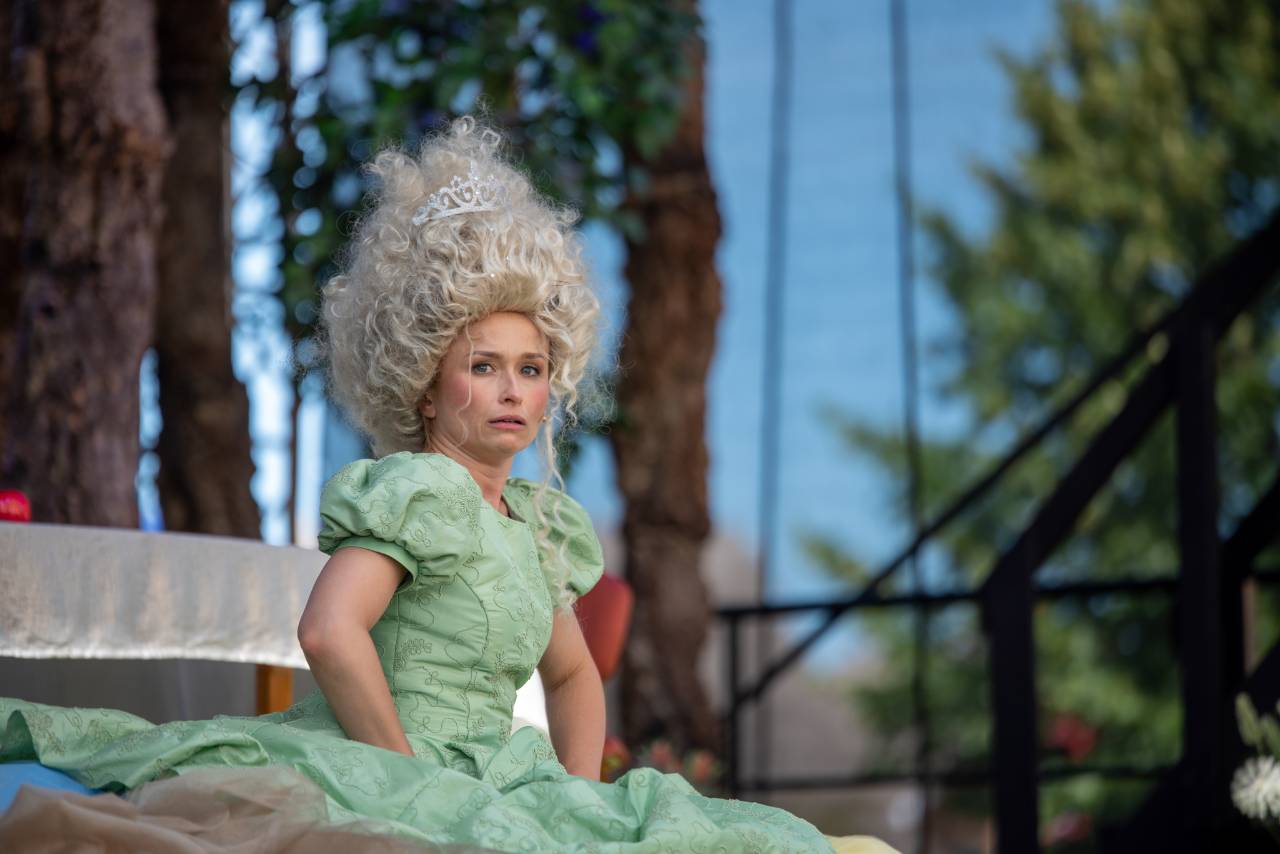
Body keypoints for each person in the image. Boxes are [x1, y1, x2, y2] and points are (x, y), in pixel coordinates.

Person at [0, 117, 893, 853]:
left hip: (501, 780)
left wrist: (574, 800)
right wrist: (404, 780)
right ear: (427, 386)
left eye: (532, 369)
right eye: (484, 366)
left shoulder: (533, 522)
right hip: (384, 767)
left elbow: (574, 676)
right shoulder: (419, 490)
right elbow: (327, 629)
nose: (513, 391)